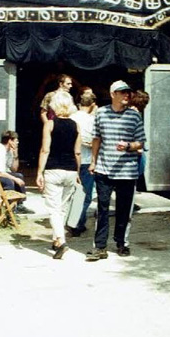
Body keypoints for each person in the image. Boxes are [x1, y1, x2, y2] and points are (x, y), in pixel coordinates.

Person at [86, 80, 146, 261]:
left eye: (128, 92)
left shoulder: (134, 116)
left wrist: (128, 146)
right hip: (104, 169)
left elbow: (141, 142)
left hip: (127, 171)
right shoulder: (101, 113)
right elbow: (96, 139)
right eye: (122, 92)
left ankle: (122, 243)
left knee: (124, 209)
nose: (127, 95)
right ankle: (100, 247)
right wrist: (93, 162)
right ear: (113, 94)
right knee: (102, 208)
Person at [36, 91, 81, 259]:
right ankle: (56, 240)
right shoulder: (76, 125)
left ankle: (61, 241)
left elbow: (45, 150)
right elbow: (77, 152)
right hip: (71, 169)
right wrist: (77, 172)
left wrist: (39, 172)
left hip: (53, 168)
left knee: (53, 208)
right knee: (62, 208)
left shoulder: (50, 124)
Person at [0, 130, 34, 214]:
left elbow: (14, 169)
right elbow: (0, 173)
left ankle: (19, 205)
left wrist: (15, 155)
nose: (18, 142)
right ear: (10, 141)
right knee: (9, 181)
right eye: (16, 140)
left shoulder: (8, 151)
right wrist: (15, 179)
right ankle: (10, 208)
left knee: (19, 176)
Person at [67, 87, 97, 236]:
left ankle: (75, 220)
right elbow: (95, 140)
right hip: (86, 160)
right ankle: (77, 223)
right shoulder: (92, 120)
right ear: (92, 105)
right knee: (85, 194)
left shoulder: (71, 118)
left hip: (70, 159)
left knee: (72, 193)